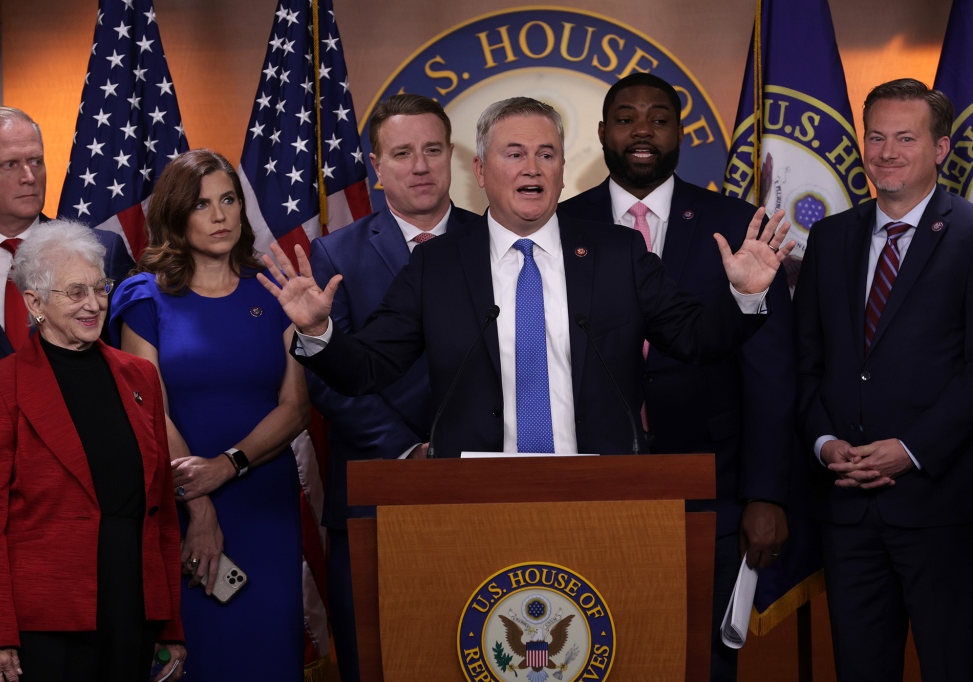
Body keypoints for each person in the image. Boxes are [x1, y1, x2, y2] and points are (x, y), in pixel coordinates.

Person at [259, 97, 795, 459]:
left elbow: (698, 340)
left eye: (546, 155)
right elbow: (366, 370)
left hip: (600, 485)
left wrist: (745, 297)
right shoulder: (438, 265)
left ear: (563, 170)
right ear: (481, 171)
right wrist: (318, 333)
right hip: (477, 494)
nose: (532, 169)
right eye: (514, 154)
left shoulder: (617, 253)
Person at [559, 73, 794, 680]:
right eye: (627, 118)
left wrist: (765, 492)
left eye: (659, 118)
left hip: (712, 489)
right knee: (597, 652)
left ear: (680, 133)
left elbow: (771, 372)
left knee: (702, 663)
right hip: (590, 488)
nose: (643, 130)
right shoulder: (558, 226)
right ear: (605, 133)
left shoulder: (740, 224)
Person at [795, 78, 973, 681]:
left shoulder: (971, 235)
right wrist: (824, 444)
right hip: (848, 509)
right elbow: (807, 362)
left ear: (942, 148)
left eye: (906, 138)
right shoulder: (830, 238)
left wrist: (912, 451)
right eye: (876, 136)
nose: (887, 152)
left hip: (945, 509)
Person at [109, 148, 311, 681]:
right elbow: (147, 407)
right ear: (175, 215)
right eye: (202, 204)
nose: (220, 216)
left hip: (265, 502)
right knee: (198, 655)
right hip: (178, 501)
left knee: (270, 651)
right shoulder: (143, 294)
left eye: (228, 200)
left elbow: (296, 407)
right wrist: (199, 506)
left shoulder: (270, 289)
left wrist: (230, 464)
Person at [0, 105, 134, 681]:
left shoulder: (102, 252)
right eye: (10, 164)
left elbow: (127, 385)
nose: (29, 175)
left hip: (89, 538)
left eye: (36, 161)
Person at [0, 220, 184, 682]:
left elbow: (160, 515)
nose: (93, 304)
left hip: (134, 613)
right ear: (35, 302)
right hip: (41, 625)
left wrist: (170, 623)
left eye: (100, 288)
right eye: (74, 292)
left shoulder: (139, 377)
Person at [306, 93, 477, 681]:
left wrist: (455, 448)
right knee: (379, 662)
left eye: (433, 149)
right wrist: (409, 453)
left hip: (482, 485)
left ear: (452, 155)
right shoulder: (334, 252)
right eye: (402, 153)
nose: (421, 166)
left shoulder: (499, 242)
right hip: (374, 491)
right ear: (376, 167)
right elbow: (328, 376)